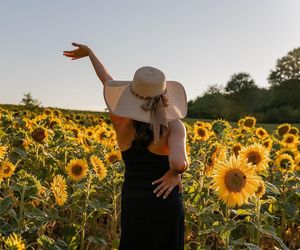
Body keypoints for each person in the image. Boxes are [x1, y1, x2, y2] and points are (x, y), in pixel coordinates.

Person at [63, 42, 189, 250]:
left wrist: (91, 55)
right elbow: (179, 162)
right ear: (165, 95)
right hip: (165, 200)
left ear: (132, 94)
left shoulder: (120, 120)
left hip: (135, 201)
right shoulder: (174, 126)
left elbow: (107, 82)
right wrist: (176, 173)